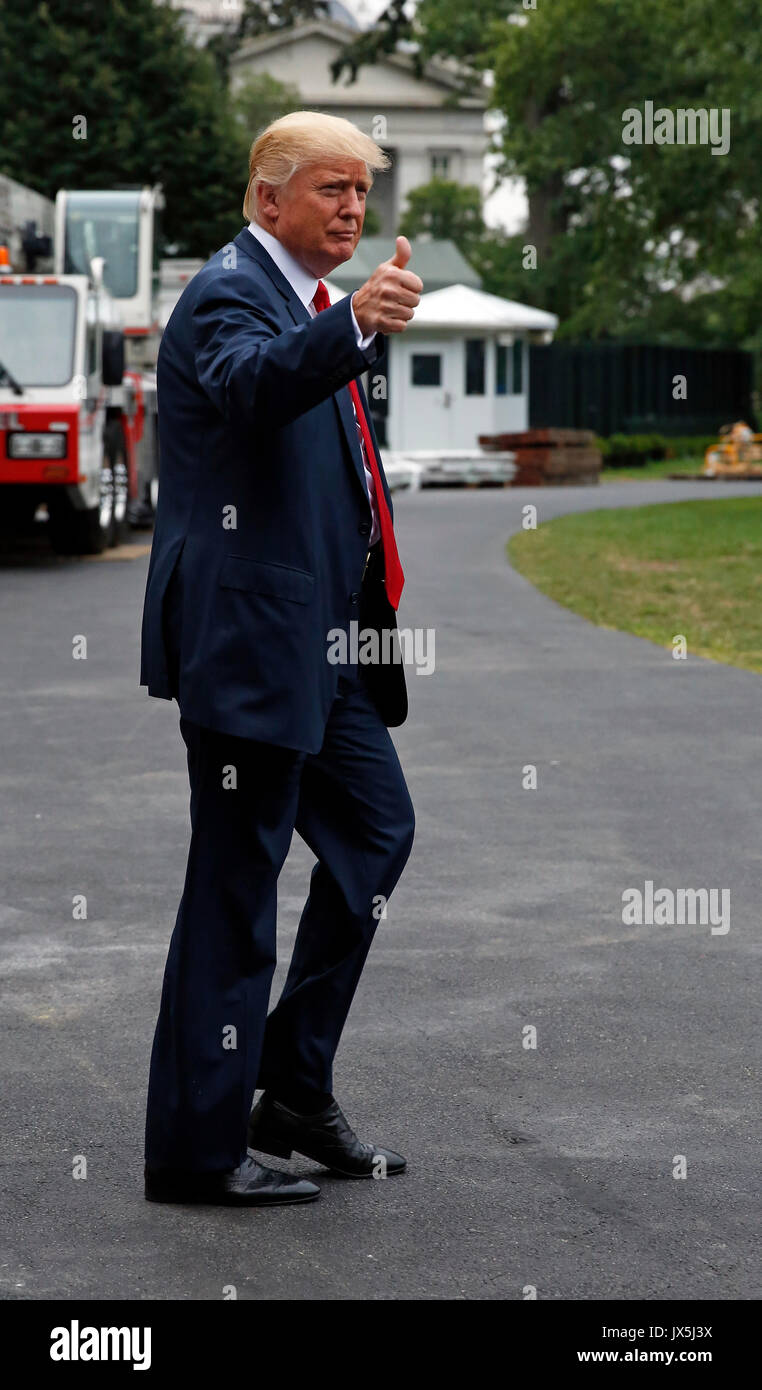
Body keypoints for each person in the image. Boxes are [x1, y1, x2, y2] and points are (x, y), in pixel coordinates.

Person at [139, 111, 422, 1206]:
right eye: (332, 191)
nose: (354, 210)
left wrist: (343, 320)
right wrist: (351, 322)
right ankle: (196, 1151)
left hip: (328, 648)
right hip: (252, 642)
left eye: (361, 193)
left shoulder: (309, 303)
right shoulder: (229, 294)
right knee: (235, 888)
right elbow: (257, 385)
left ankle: (291, 1087)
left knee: (375, 837)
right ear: (269, 201)